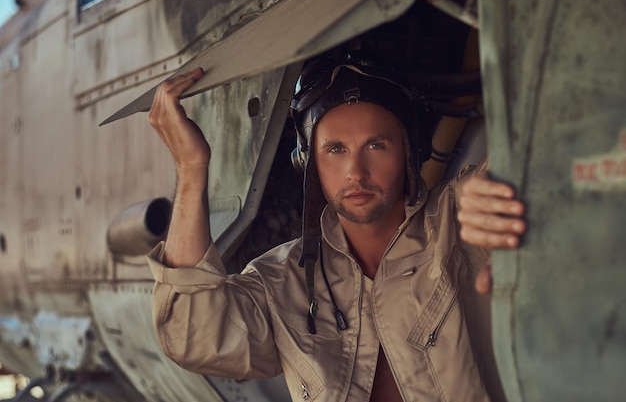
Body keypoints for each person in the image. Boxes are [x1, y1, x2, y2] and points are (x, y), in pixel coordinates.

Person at [147, 60, 526, 402]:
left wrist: (503, 194)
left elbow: (537, 165)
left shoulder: (457, 221)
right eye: (336, 150)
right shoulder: (282, 281)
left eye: (376, 145)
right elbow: (191, 333)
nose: (356, 172)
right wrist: (192, 166)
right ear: (308, 164)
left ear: (408, 152)